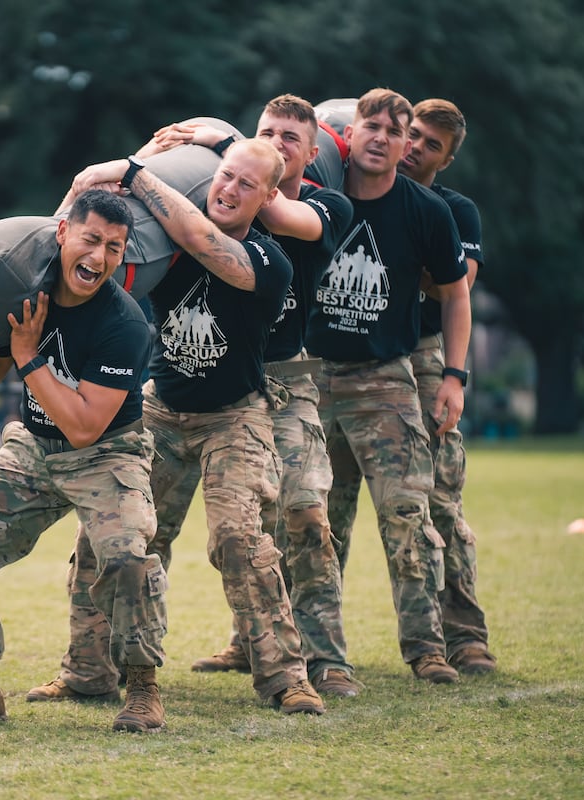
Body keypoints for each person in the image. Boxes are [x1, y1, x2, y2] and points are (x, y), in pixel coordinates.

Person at [36, 138, 327, 716]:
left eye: (247, 184)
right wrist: (115, 176)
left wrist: (133, 169)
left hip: (234, 415)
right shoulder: (164, 243)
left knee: (239, 541)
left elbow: (201, 239)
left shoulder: (271, 260)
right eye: (226, 175)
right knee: (106, 534)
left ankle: (287, 678)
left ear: (269, 198)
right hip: (161, 409)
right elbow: (80, 245)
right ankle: (88, 671)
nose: (230, 188)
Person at [0, 189, 168, 733]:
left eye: (114, 247)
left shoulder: (124, 323)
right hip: (33, 445)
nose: (99, 257)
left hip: (105, 453)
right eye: (91, 239)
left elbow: (84, 426)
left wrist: (28, 356)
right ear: (63, 233)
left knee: (126, 558)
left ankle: (143, 689)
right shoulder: (26, 287)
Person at [151, 96, 360, 697]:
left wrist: (220, 141)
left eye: (290, 138)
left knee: (305, 513)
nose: (276, 142)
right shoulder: (226, 189)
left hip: (285, 380)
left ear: (311, 153)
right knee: (191, 524)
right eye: (266, 132)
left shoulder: (323, 204)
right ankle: (240, 643)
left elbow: (278, 212)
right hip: (205, 379)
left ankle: (326, 660)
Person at [305, 88, 472, 683]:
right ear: (348, 135)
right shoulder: (315, 196)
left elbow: (456, 295)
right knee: (313, 524)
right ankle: (322, 660)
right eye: (370, 126)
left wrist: (454, 376)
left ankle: (427, 650)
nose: (381, 137)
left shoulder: (427, 210)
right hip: (311, 377)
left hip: (385, 380)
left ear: (405, 147)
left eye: (394, 131)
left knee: (408, 516)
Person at [397, 98, 496, 675]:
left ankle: (464, 636)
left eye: (431, 144)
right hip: (343, 357)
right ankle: (270, 643)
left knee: (439, 502)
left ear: (447, 159)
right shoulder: (353, 189)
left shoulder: (455, 211)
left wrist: (455, 378)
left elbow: (455, 285)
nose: (415, 147)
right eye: (412, 134)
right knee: (307, 504)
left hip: (424, 355)